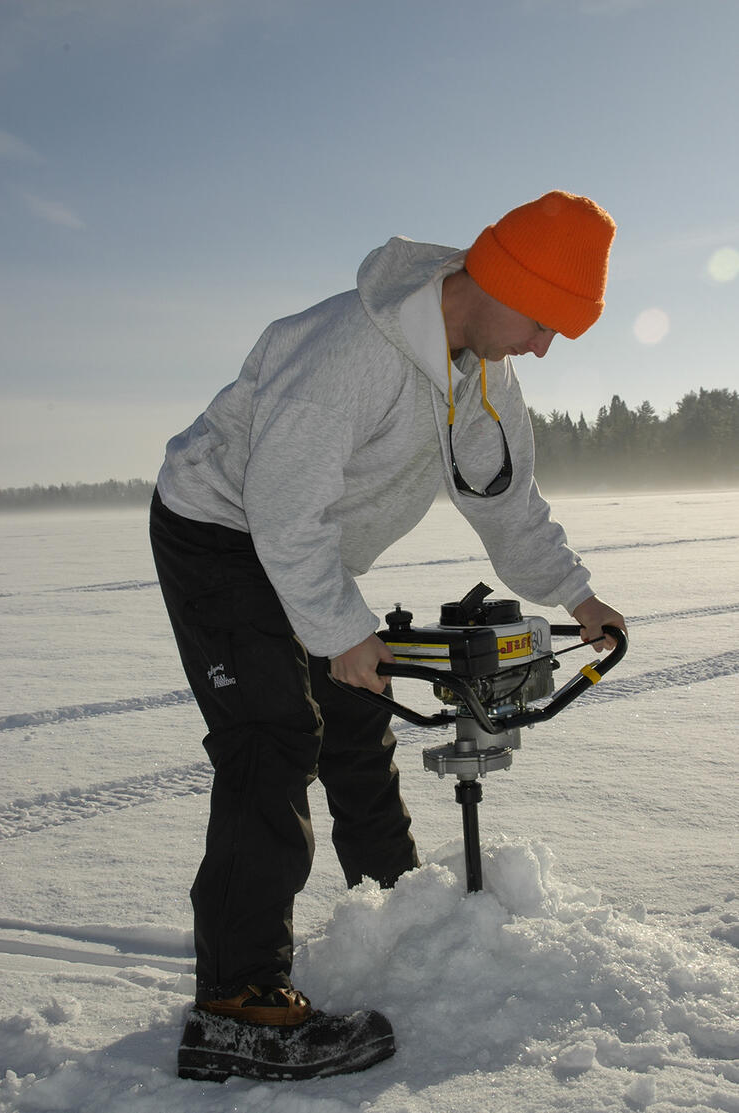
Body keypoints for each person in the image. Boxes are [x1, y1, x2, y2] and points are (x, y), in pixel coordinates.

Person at [149, 189, 628, 1082]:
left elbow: (506, 503)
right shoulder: (349, 350)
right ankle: (233, 1007)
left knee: (357, 714)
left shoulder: (484, 373)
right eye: (543, 321)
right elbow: (281, 508)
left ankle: (401, 914)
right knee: (273, 734)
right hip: (221, 530)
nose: (544, 346)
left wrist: (578, 593)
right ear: (497, 280)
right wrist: (338, 629)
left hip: (304, 546)